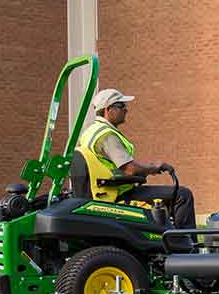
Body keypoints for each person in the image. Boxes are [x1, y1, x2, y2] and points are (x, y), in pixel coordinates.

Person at [77, 88, 196, 228]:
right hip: (118, 193)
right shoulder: (106, 136)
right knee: (183, 194)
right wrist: (154, 167)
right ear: (108, 109)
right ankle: (185, 242)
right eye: (121, 106)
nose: (126, 110)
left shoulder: (90, 132)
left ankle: (168, 233)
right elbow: (130, 169)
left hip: (103, 191)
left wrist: (148, 167)